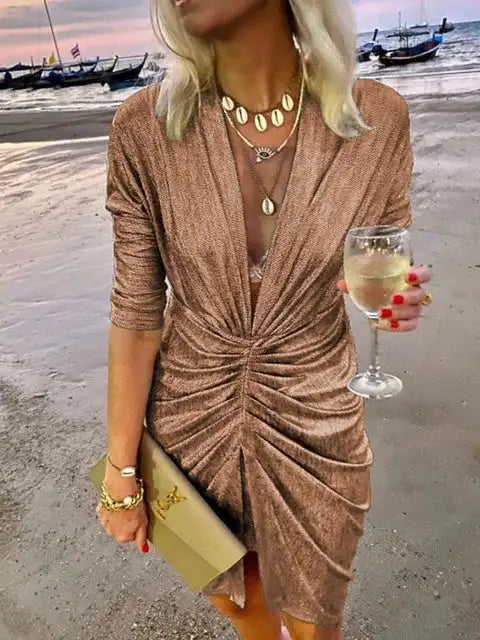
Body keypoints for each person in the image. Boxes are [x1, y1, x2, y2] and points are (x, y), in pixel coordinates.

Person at [96, 1, 432, 639]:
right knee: (244, 610)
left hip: (317, 418)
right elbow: (136, 312)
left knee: (315, 622)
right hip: (190, 418)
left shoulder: (378, 121)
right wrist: (121, 471)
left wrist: (395, 299)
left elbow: (381, 259)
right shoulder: (144, 129)